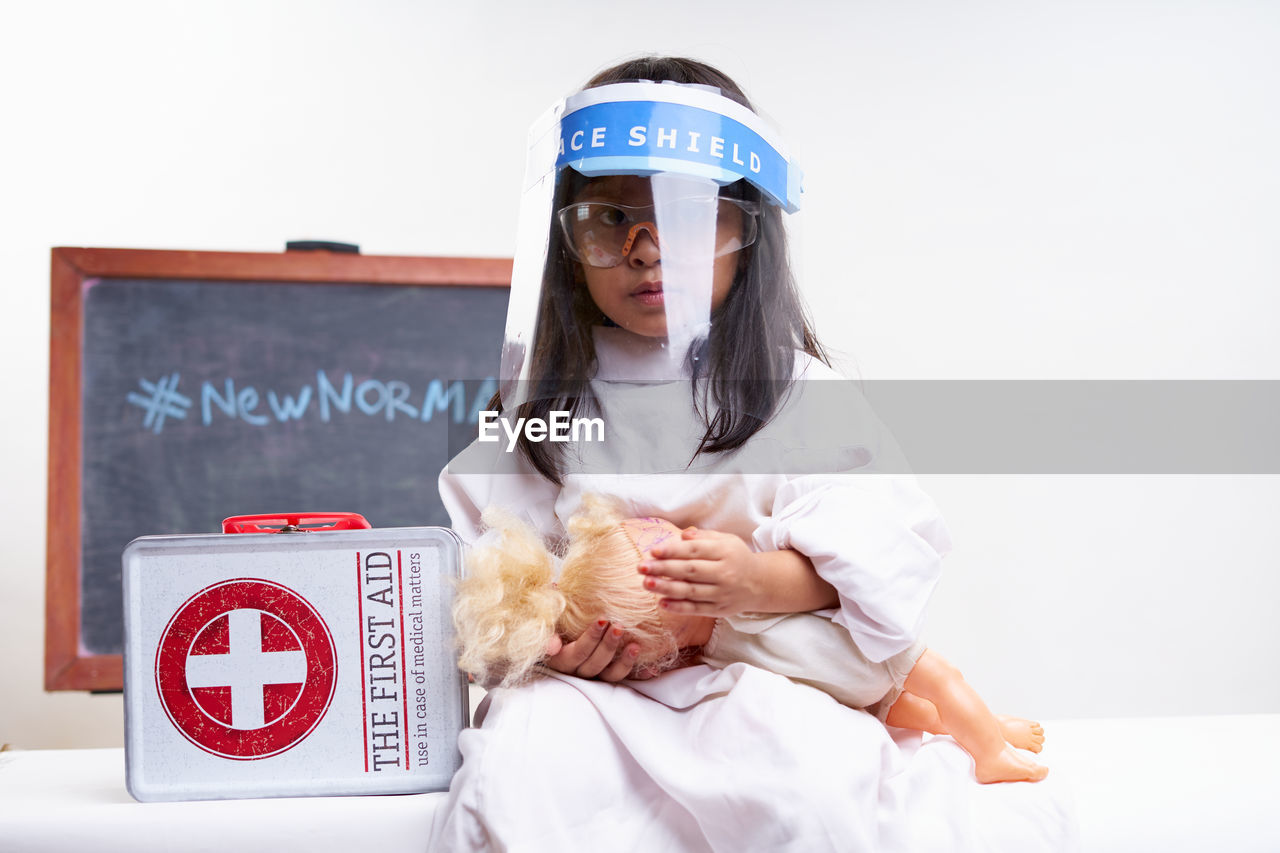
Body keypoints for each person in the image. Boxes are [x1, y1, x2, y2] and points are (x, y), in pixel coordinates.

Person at [434, 55, 1071, 851]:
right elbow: (489, 568)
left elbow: (880, 564)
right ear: (568, 240)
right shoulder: (550, 408)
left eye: (689, 214)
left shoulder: (794, 391)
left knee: (793, 783)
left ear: (748, 229)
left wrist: (752, 580)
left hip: (762, 673)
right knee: (518, 780)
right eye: (608, 217)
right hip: (596, 695)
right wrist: (557, 645)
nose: (643, 248)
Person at [453, 495, 1047, 784]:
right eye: (674, 538)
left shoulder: (714, 645)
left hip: (847, 686)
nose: (683, 528)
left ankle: (995, 733)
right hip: (858, 657)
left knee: (915, 710)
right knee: (940, 685)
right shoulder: (727, 631)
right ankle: (990, 751)